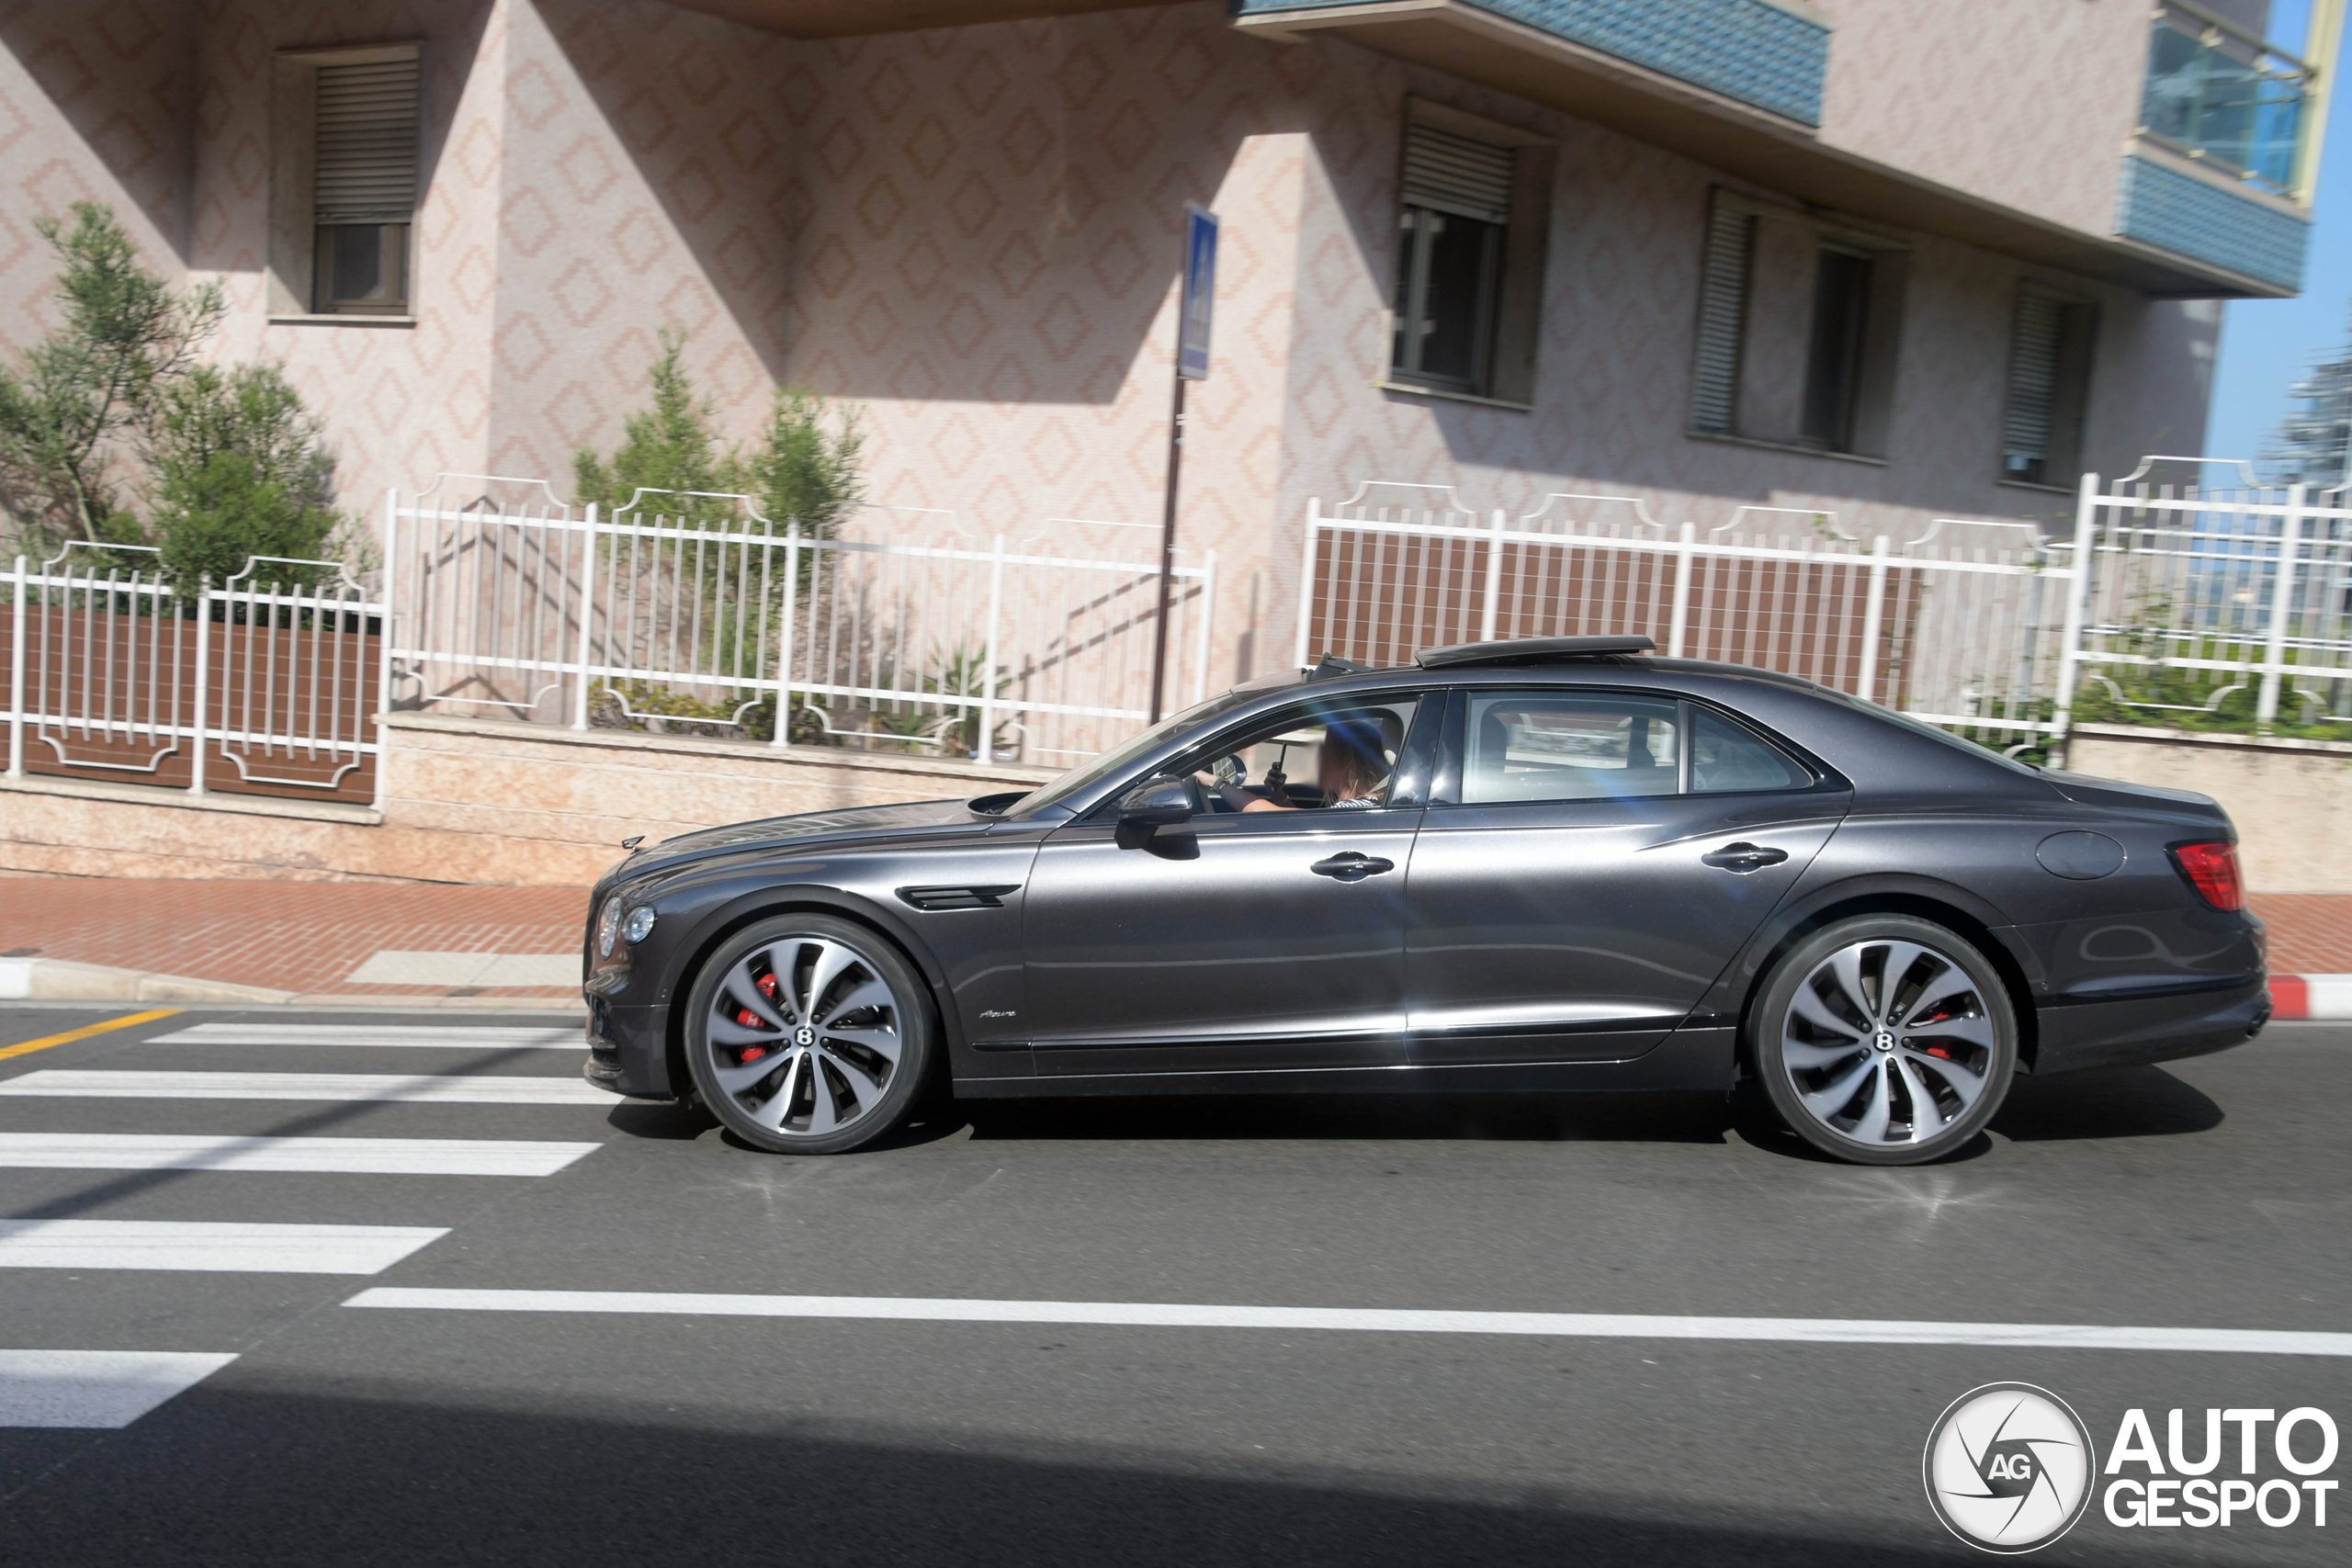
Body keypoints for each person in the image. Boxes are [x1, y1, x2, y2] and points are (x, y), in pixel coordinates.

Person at [1204, 718, 1393, 813]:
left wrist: (1215, 781)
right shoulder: (1366, 804)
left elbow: (1274, 817)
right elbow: (1301, 820)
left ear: (1346, 760)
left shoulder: (1353, 809)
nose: (1317, 759)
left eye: (1324, 752)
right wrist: (1280, 796)